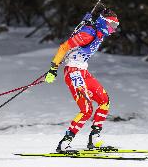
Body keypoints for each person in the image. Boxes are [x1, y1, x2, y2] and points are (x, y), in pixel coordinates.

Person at [44, 8, 119, 152]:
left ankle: (95, 139)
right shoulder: (88, 34)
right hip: (73, 71)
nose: (114, 30)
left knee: (104, 100)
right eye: (112, 25)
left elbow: (93, 24)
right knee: (86, 109)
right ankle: (65, 143)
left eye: (116, 26)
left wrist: (89, 21)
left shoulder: (99, 31)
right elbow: (64, 47)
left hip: (83, 71)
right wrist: (53, 69)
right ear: (104, 23)